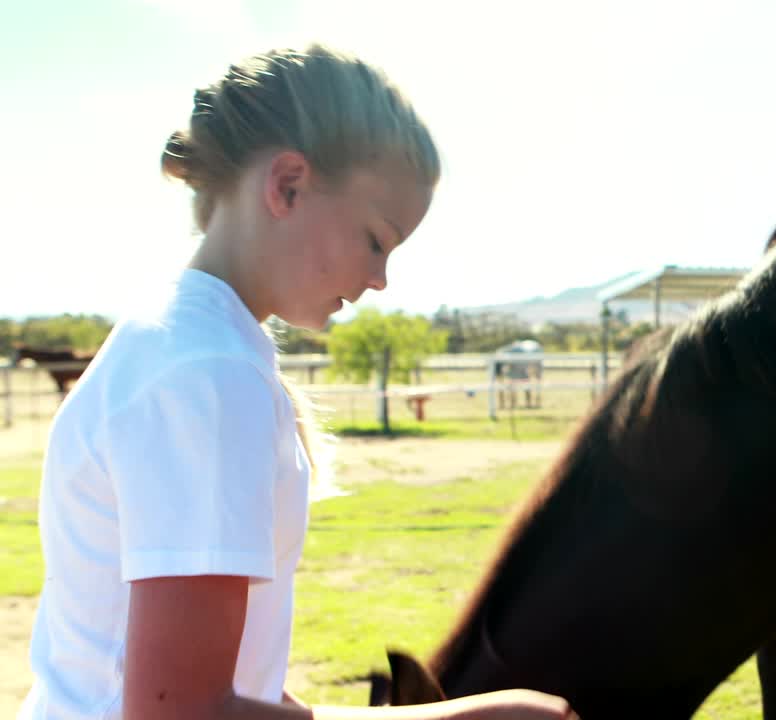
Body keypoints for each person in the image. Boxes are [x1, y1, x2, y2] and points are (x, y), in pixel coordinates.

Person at [19, 44, 575, 720]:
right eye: (376, 239)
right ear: (287, 185)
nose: (380, 279)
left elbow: (231, 686)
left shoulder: (185, 344)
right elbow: (181, 713)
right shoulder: (207, 372)